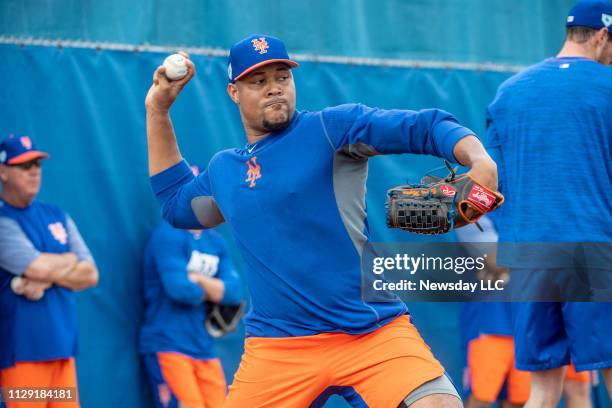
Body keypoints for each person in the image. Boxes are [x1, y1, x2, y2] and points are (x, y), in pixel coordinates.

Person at [144, 34, 501, 407]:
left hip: (371, 332)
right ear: (235, 92)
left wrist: (479, 159)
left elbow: (422, 126)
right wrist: (157, 111)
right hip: (278, 348)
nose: (273, 89)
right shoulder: (224, 171)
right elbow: (174, 203)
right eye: (258, 81)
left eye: (282, 77)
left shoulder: (332, 129)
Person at [485, 1, 612, 406]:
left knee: (542, 385)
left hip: (529, 256)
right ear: (602, 35)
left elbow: (491, 184)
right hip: (594, 249)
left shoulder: (509, 94)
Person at [0, 135, 98, 407]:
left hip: (63, 349)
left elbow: (90, 274)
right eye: (24, 165)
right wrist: (67, 260)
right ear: (3, 172)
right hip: (21, 354)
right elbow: (36, 267)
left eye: (37, 164)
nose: (33, 171)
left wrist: (43, 277)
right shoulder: (3, 219)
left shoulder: (57, 214)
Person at [457, 217, 591, 408]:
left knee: (519, 400)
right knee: (480, 397)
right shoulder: (473, 211)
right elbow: (496, 259)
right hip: (490, 324)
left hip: (531, 324)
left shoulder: (531, 210)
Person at [140, 165, 242, 408]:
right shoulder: (167, 235)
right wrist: (212, 290)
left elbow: (233, 293)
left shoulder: (216, 242)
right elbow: (180, 290)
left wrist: (197, 279)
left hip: (203, 346)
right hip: (168, 343)